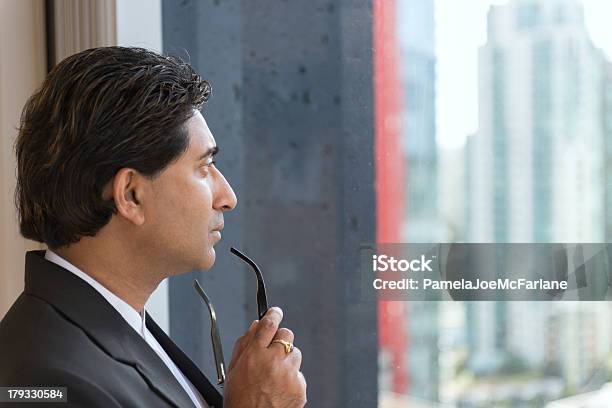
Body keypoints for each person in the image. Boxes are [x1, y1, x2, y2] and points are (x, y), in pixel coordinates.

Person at [0, 46, 306, 407]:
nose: (228, 196)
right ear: (130, 195)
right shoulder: (44, 378)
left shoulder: (120, 329)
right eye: (204, 168)